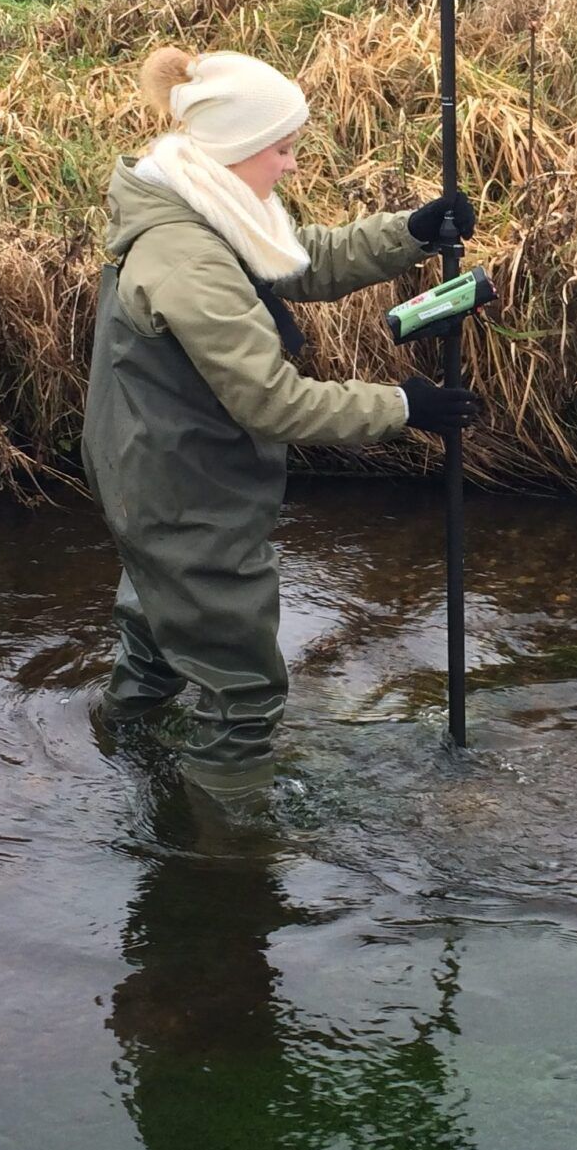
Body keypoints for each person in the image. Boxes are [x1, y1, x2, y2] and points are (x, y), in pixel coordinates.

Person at [82, 42, 483, 801]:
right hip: (185, 496)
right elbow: (273, 400)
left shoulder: (201, 194)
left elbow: (298, 259)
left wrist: (414, 232)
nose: (292, 165)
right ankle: (228, 867)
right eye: (283, 149)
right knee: (246, 700)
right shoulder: (185, 257)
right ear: (234, 150)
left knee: (157, 641)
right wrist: (404, 406)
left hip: (150, 473)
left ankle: (116, 747)